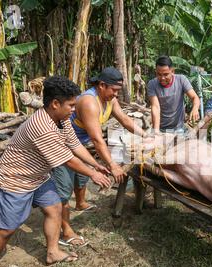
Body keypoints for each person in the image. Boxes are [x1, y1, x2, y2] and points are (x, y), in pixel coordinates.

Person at [0, 76, 112, 267]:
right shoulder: (41, 126)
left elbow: (74, 144)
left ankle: (53, 252)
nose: (74, 110)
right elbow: (66, 159)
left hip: (38, 177)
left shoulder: (62, 119)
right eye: (71, 105)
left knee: (54, 208)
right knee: (6, 230)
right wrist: (93, 173)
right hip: (15, 180)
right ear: (55, 103)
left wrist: (97, 165)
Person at [52, 67, 147, 246]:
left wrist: (146, 135)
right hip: (63, 147)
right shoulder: (89, 101)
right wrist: (112, 165)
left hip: (79, 146)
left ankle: (80, 203)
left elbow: (125, 120)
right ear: (102, 85)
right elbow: (96, 138)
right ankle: (65, 231)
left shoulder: (110, 99)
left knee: (82, 177)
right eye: (114, 90)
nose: (116, 95)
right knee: (64, 189)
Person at [148, 55, 200, 133]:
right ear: (156, 72)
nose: (162, 78)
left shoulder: (181, 80)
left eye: (166, 74)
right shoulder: (152, 84)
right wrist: (156, 130)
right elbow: (155, 107)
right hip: (160, 128)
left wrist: (195, 108)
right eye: (159, 74)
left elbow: (194, 97)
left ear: (172, 71)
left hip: (178, 128)